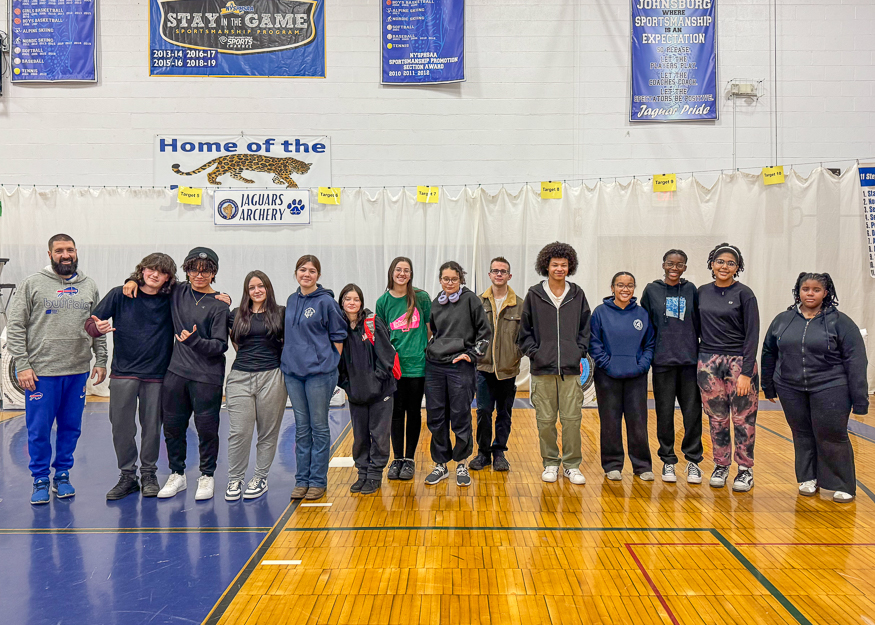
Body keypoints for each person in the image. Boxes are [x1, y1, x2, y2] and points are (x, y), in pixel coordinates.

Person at [8, 234, 107, 504]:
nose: (66, 255)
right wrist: (23, 365)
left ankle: (62, 474)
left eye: (70, 250)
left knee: (70, 428)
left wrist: (101, 359)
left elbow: (97, 327)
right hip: (41, 374)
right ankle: (40, 478)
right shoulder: (33, 284)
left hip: (76, 371)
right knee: (39, 429)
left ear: (76, 253)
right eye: (60, 250)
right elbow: (15, 327)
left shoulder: (89, 286)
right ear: (50, 254)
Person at [761, 273, 868, 503]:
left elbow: (857, 360)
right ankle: (808, 478)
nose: (810, 293)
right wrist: (768, 386)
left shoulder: (840, 322)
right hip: (790, 387)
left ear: (826, 293)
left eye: (816, 289)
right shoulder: (783, 319)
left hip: (831, 386)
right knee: (801, 433)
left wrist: (860, 400)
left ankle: (842, 484)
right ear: (798, 291)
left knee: (832, 434)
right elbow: (769, 352)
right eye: (805, 288)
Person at [86, 253, 178, 500]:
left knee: (152, 429)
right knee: (121, 427)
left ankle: (149, 474)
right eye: (151, 269)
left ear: (168, 277)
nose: (155, 275)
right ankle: (128, 476)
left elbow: (199, 290)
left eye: (162, 272)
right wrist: (98, 328)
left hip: (157, 374)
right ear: (142, 270)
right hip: (124, 372)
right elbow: (91, 324)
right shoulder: (121, 293)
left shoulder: (172, 297)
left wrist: (224, 297)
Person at [517, 242, 591, 486]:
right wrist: (536, 353)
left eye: (564, 264)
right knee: (545, 421)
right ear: (546, 266)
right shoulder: (534, 295)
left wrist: (578, 351)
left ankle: (571, 465)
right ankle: (550, 462)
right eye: (555, 264)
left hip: (570, 371)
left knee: (572, 420)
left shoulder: (577, 294)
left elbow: (585, 329)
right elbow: (524, 332)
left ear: (570, 267)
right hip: (542, 370)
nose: (559, 268)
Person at [282, 255, 347, 501]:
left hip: (319, 375)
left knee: (319, 427)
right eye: (302, 270)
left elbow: (338, 336)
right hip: (293, 374)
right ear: (296, 273)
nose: (306, 274)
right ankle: (302, 480)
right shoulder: (291, 299)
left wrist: (330, 363)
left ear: (318, 275)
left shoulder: (326, 302)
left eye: (311, 271)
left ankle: (317, 481)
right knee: (301, 428)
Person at [697, 243, 760, 492]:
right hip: (708, 363)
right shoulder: (701, 292)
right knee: (717, 418)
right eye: (720, 261)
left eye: (730, 263)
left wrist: (746, 372)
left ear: (738, 267)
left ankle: (744, 469)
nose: (725, 266)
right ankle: (721, 465)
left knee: (743, 418)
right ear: (712, 264)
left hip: (738, 363)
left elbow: (753, 334)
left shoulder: (745, 294)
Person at [423, 261, 491, 487]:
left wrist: (471, 355)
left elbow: (485, 332)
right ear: (440, 280)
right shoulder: (435, 302)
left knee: (460, 415)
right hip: (435, 367)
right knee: (436, 416)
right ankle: (440, 464)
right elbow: (432, 332)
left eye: (453, 279)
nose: (449, 283)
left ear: (461, 279)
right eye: (445, 279)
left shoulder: (471, 300)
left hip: (459, 366)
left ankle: (461, 463)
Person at [640, 249, 704, 484]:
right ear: (663, 265)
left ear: (685, 267)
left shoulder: (691, 290)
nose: (674, 267)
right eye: (670, 263)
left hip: (689, 362)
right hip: (663, 363)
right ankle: (668, 461)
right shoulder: (652, 290)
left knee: (692, 413)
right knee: (664, 414)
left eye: (680, 264)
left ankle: (693, 462)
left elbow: (698, 322)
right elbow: (646, 325)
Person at [224, 271, 287, 501]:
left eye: (261, 286)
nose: (257, 290)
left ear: (268, 288)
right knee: (239, 432)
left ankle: (260, 477)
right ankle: (235, 478)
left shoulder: (280, 313)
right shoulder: (235, 315)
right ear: (246, 291)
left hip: (272, 376)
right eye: (252, 287)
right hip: (240, 377)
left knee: (267, 433)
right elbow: (235, 342)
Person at [590, 272, 656, 481]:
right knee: (610, 422)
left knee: (638, 422)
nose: (625, 289)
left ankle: (642, 466)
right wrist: (607, 364)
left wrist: (642, 365)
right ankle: (612, 465)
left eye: (629, 285)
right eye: (620, 285)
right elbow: (594, 343)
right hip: (607, 377)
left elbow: (650, 344)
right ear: (612, 288)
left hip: (636, 377)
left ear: (634, 288)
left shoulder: (642, 314)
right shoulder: (600, 313)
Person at [337, 284, 398, 495]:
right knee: (360, 437)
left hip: (381, 393)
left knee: (379, 436)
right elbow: (338, 362)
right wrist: (346, 383)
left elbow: (386, 356)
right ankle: (362, 473)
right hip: (356, 394)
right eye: (347, 299)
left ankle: (374, 475)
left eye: (356, 299)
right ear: (341, 302)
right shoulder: (339, 328)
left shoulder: (372, 323)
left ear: (361, 302)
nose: (351, 303)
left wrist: (377, 380)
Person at [375, 257, 431, 481]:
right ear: (392, 272)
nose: (402, 274)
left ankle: (409, 459)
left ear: (411, 274)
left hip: (417, 366)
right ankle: (396, 458)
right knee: (395, 413)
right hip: (394, 369)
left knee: (414, 412)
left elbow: (429, 330)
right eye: (398, 269)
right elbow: (380, 336)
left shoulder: (422, 297)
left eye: (406, 270)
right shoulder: (383, 301)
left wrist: (419, 349)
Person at [470, 256, 523, 473]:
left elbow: (525, 336)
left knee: (504, 412)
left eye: (503, 271)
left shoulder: (520, 304)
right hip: (483, 368)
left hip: (507, 370)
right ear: (490, 275)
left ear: (509, 276)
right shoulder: (477, 303)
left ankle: (499, 452)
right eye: (495, 271)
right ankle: (483, 453)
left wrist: (515, 355)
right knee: (483, 411)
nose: (499, 274)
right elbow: (470, 333)